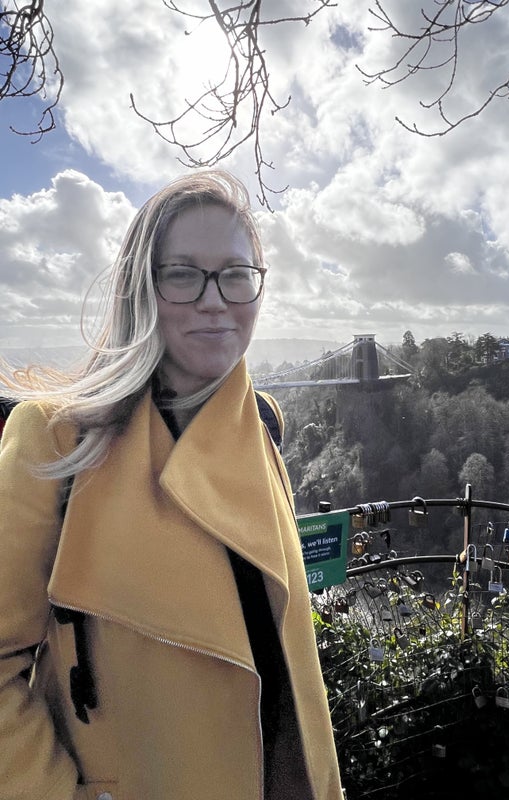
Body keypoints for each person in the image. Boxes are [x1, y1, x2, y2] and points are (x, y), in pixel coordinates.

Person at [0, 170, 344, 800]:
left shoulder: (263, 423)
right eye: (183, 274)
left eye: (236, 274)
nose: (215, 300)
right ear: (141, 287)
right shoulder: (56, 440)